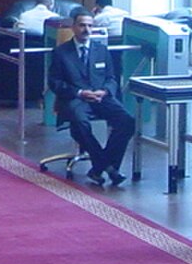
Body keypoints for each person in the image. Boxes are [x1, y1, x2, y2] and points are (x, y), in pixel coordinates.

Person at [48, 10, 137, 188]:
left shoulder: (102, 50)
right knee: (79, 123)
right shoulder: (61, 53)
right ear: (73, 27)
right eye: (82, 25)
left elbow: (112, 78)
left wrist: (104, 91)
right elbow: (54, 82)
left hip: (101, 97)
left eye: (89, 25)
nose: (86, 29)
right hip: (76, 98)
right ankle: (107, 167)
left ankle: (100, 167)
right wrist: (80, 93)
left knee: (127, 120)